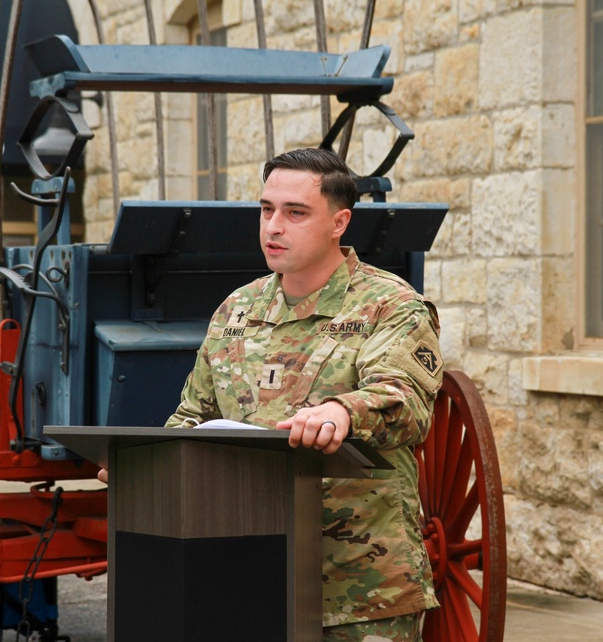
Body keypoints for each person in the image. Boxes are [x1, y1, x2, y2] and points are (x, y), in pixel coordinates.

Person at [101, 148, 442, 641]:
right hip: (243, 571)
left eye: (295, 212)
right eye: (266, 209)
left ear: (338, 222)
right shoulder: (237, 309)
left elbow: (405, 399)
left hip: (357, 585)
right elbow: (193, 416)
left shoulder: (391, 306)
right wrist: (144, 465)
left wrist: (342, 411)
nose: (273, 226)